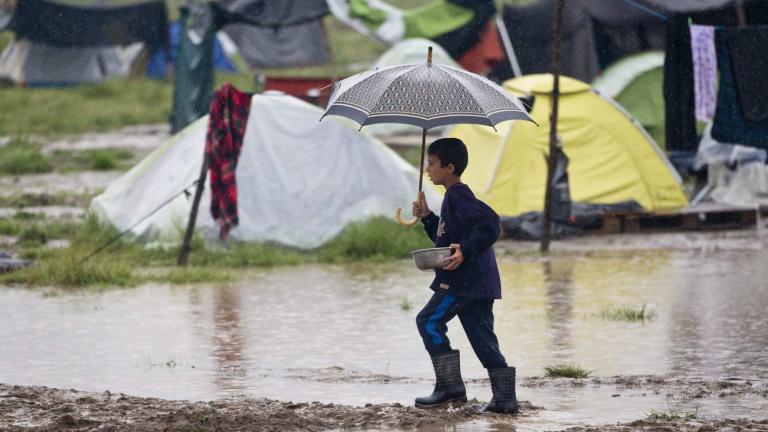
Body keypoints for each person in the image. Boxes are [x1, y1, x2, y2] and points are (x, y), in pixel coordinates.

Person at [411, 137, 517, 414]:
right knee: (483, 339)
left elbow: (490, 223)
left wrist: (465, 251)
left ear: (449, 167)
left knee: (428, 322)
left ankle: (450, 387)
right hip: (480, 283)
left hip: (463, 283)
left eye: (432, 164)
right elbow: (445, 238)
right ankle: (505, 399)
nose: (428, 170)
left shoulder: (458, 194)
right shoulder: (452, 198)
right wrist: (427, 217)